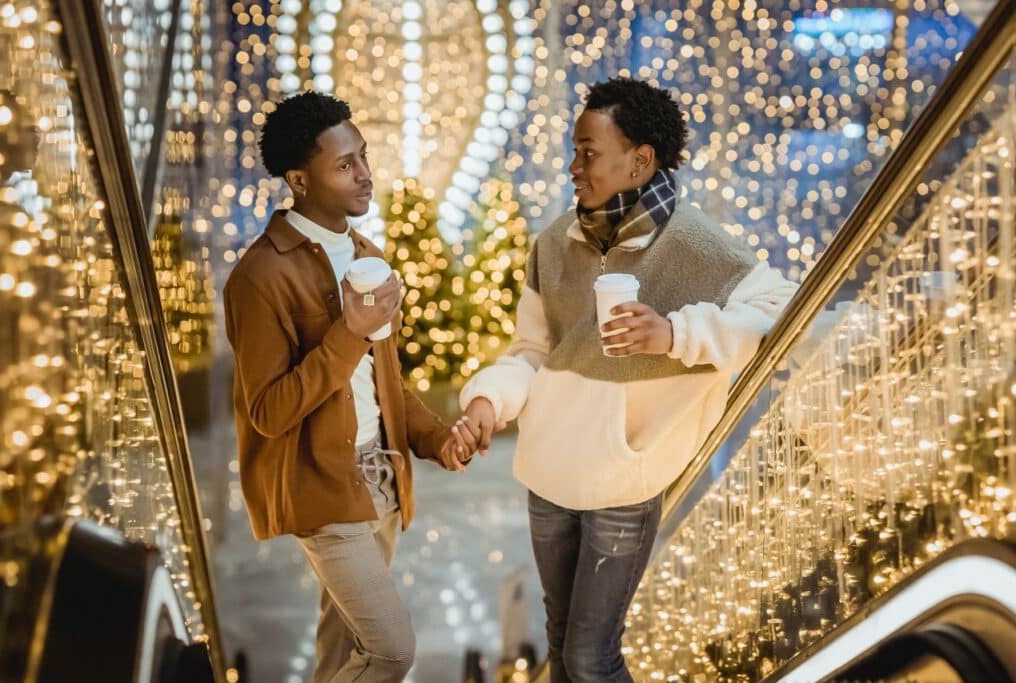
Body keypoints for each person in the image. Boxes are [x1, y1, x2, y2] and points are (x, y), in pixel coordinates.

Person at [450, 78, 798, 682]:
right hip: (548, 473)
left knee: (590, 657)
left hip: (622, 481)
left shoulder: (692, 242)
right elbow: (531, 351)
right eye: (574, 149)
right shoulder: (554, 243)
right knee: (561, 646)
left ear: (640, 161)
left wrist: (675, 334)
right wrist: (487, 402)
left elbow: (780, 307)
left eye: (588, 151)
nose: (573, 166)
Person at [223, 91, 472, 683]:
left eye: (362, 156)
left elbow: (385, 381)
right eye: (344, 165)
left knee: (343, 650)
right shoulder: (260, 276)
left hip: (381, 480)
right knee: (389, 651)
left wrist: (436, 438)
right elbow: (267, 410)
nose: (364, 175)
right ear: (299, 181)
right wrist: (350, 332)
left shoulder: (367, 255)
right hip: (323, 486)